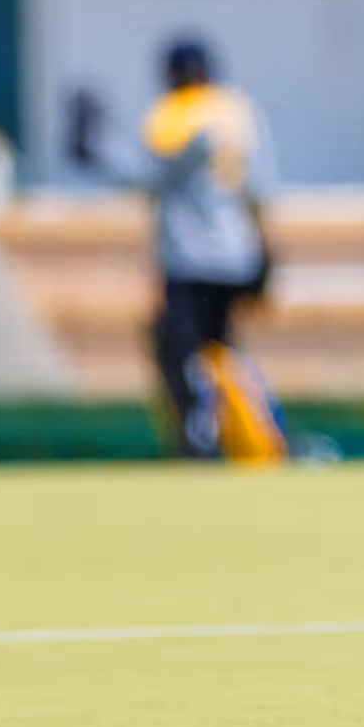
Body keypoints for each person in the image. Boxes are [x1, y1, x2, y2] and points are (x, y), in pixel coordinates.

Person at [140, 35, 279, 461]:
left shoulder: (178, 117)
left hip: (191, 259)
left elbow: (151, 178)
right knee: (221, 350)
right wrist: (266, 250)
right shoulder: (238, 110)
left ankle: (203, 441)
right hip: (237, 254)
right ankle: (251, 438)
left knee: (182, 352)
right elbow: (260, 186)